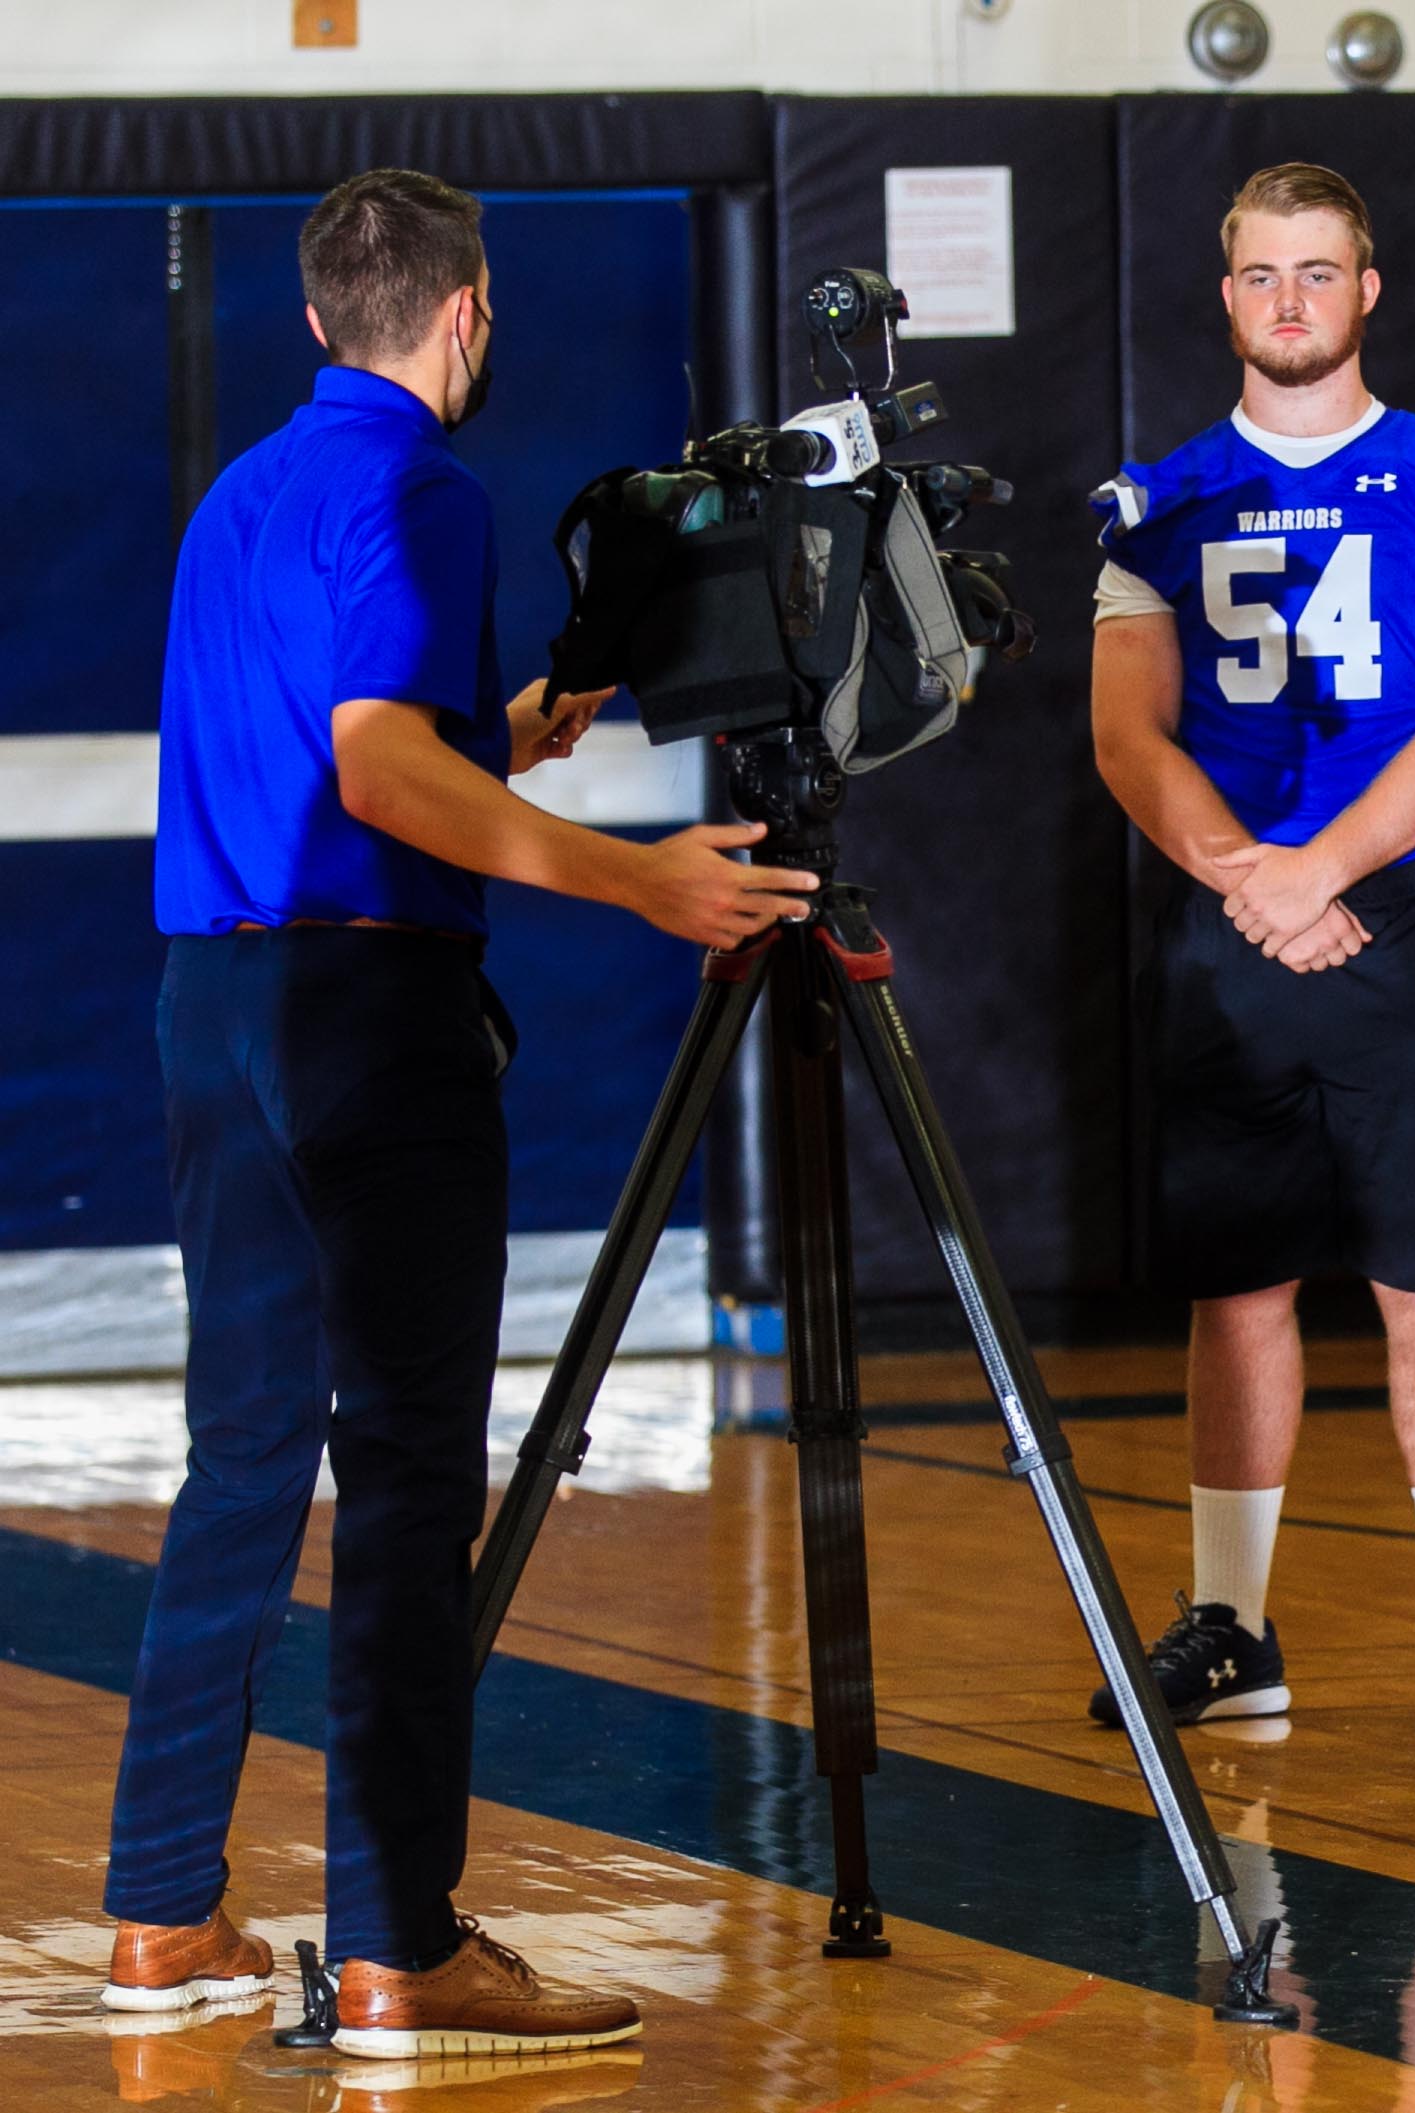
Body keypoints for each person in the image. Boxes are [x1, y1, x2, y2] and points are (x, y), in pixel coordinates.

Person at [110, 168, 809, 2051]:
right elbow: (374, 773)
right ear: (468, 313)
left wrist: (503, 730)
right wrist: (644, 874)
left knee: (247, 1457)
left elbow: (354, 745)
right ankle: (398, 1945)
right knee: (411, 1481)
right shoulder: (423, 485)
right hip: (363, 1018)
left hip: (215, 1008)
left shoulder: (240, 496)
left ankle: (163, 1912)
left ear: (316, 319)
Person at [1088, 163, 1415, 1735]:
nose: (1289, 303)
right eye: (1261, 276)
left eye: (1316, 273)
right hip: (1231, 915)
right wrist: (1244, 875)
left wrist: (1316, 868)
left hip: (1397, 904)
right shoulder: (1154, 501)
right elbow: (1129, 736)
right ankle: (1233, 1620)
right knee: (1237, 1283)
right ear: (1225, 296)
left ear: (1367, 288)